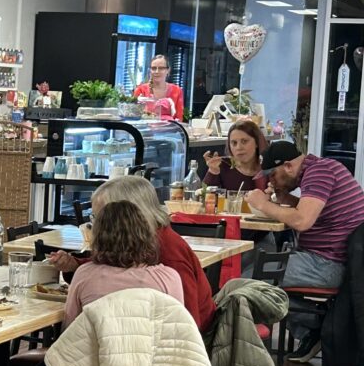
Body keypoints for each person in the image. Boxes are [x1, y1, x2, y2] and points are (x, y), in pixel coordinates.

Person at [246, 140, 364, 362]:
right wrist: (284, 199)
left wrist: (263, 204)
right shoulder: (323, 168)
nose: (270, 180)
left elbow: (302, 220)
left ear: (288, 166)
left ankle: (316, 326)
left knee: (249, 279)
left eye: (272, 175)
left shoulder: (319, 172)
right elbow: (316, 210)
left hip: (328, 264)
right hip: (327, 260)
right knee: (249, 265)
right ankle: (314, 328)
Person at [50, 175, 216, 330]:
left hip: (190, 341)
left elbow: (188, 323)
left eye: (99, 217)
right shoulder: (148, 242)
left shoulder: (169, 251)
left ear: (126, 215)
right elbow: (120, 266)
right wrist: (75, 265)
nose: (95, 225)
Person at [64, 200, 183, 327]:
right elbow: (178, 331)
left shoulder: (84, 275)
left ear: (97, 236)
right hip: (149, 346)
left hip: (99, 346)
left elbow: (69, 329)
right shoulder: (168, 278)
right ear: (146, 233)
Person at [203, 117, 267, 193]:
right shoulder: (222, 165)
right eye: (234, 143)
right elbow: (203, 197)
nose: (239, 147)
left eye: (244, 141)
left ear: (257, 142)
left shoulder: (268, 169)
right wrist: (213, 171)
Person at [132, 54, 184, 122]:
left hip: (170, 131)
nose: (157, 71)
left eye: (161, 68)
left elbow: (179, 118)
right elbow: (133, 115)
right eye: (153, 68)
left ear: (168, 70)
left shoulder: (177, 90)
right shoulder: (140, 90)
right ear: (150, 70)